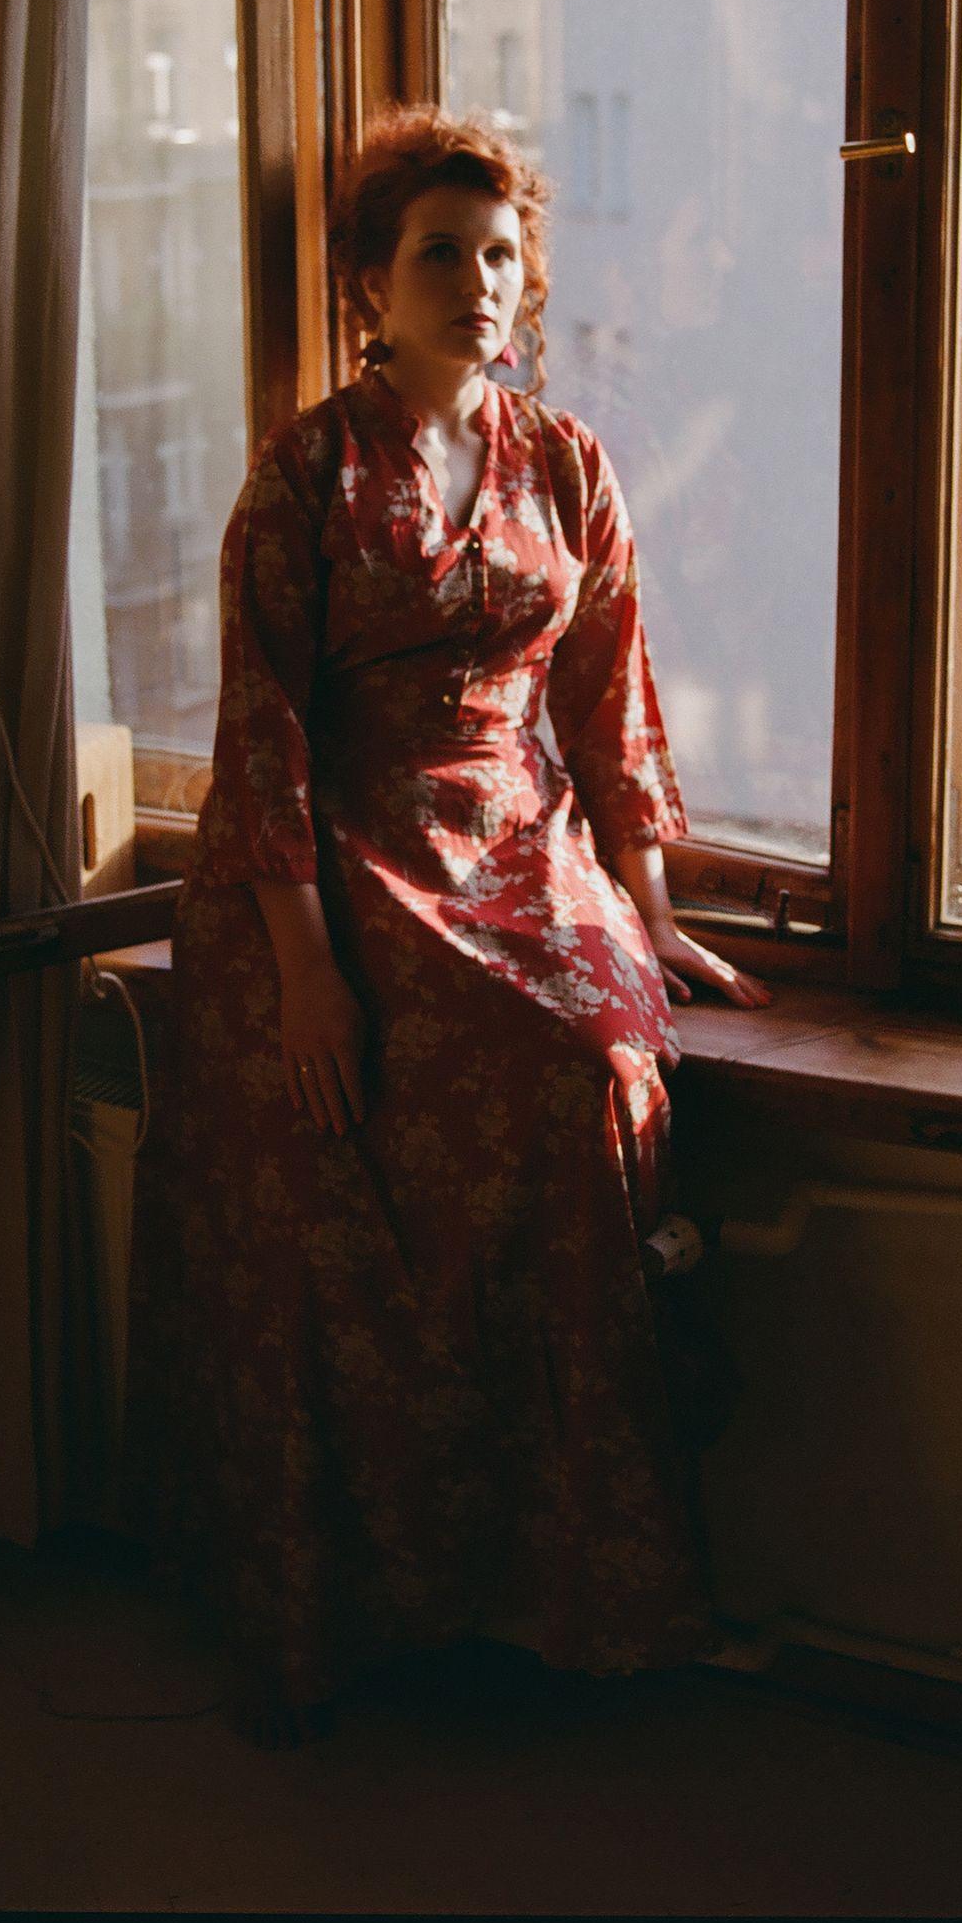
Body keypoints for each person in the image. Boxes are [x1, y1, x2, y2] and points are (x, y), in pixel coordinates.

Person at [122, 105, 771, 1747]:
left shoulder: (569, 463)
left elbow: (609, 698)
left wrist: (649, 910)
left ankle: (556, 1587)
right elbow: (260, 728)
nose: (477, 282)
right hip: (335, 858)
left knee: (602, 1066)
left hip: (521, 841)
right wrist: (305, 976)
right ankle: (366, 1598)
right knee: (394, 1124)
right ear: (371, 282)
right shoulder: (307, 473)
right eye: (438, 253)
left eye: (499, 254)